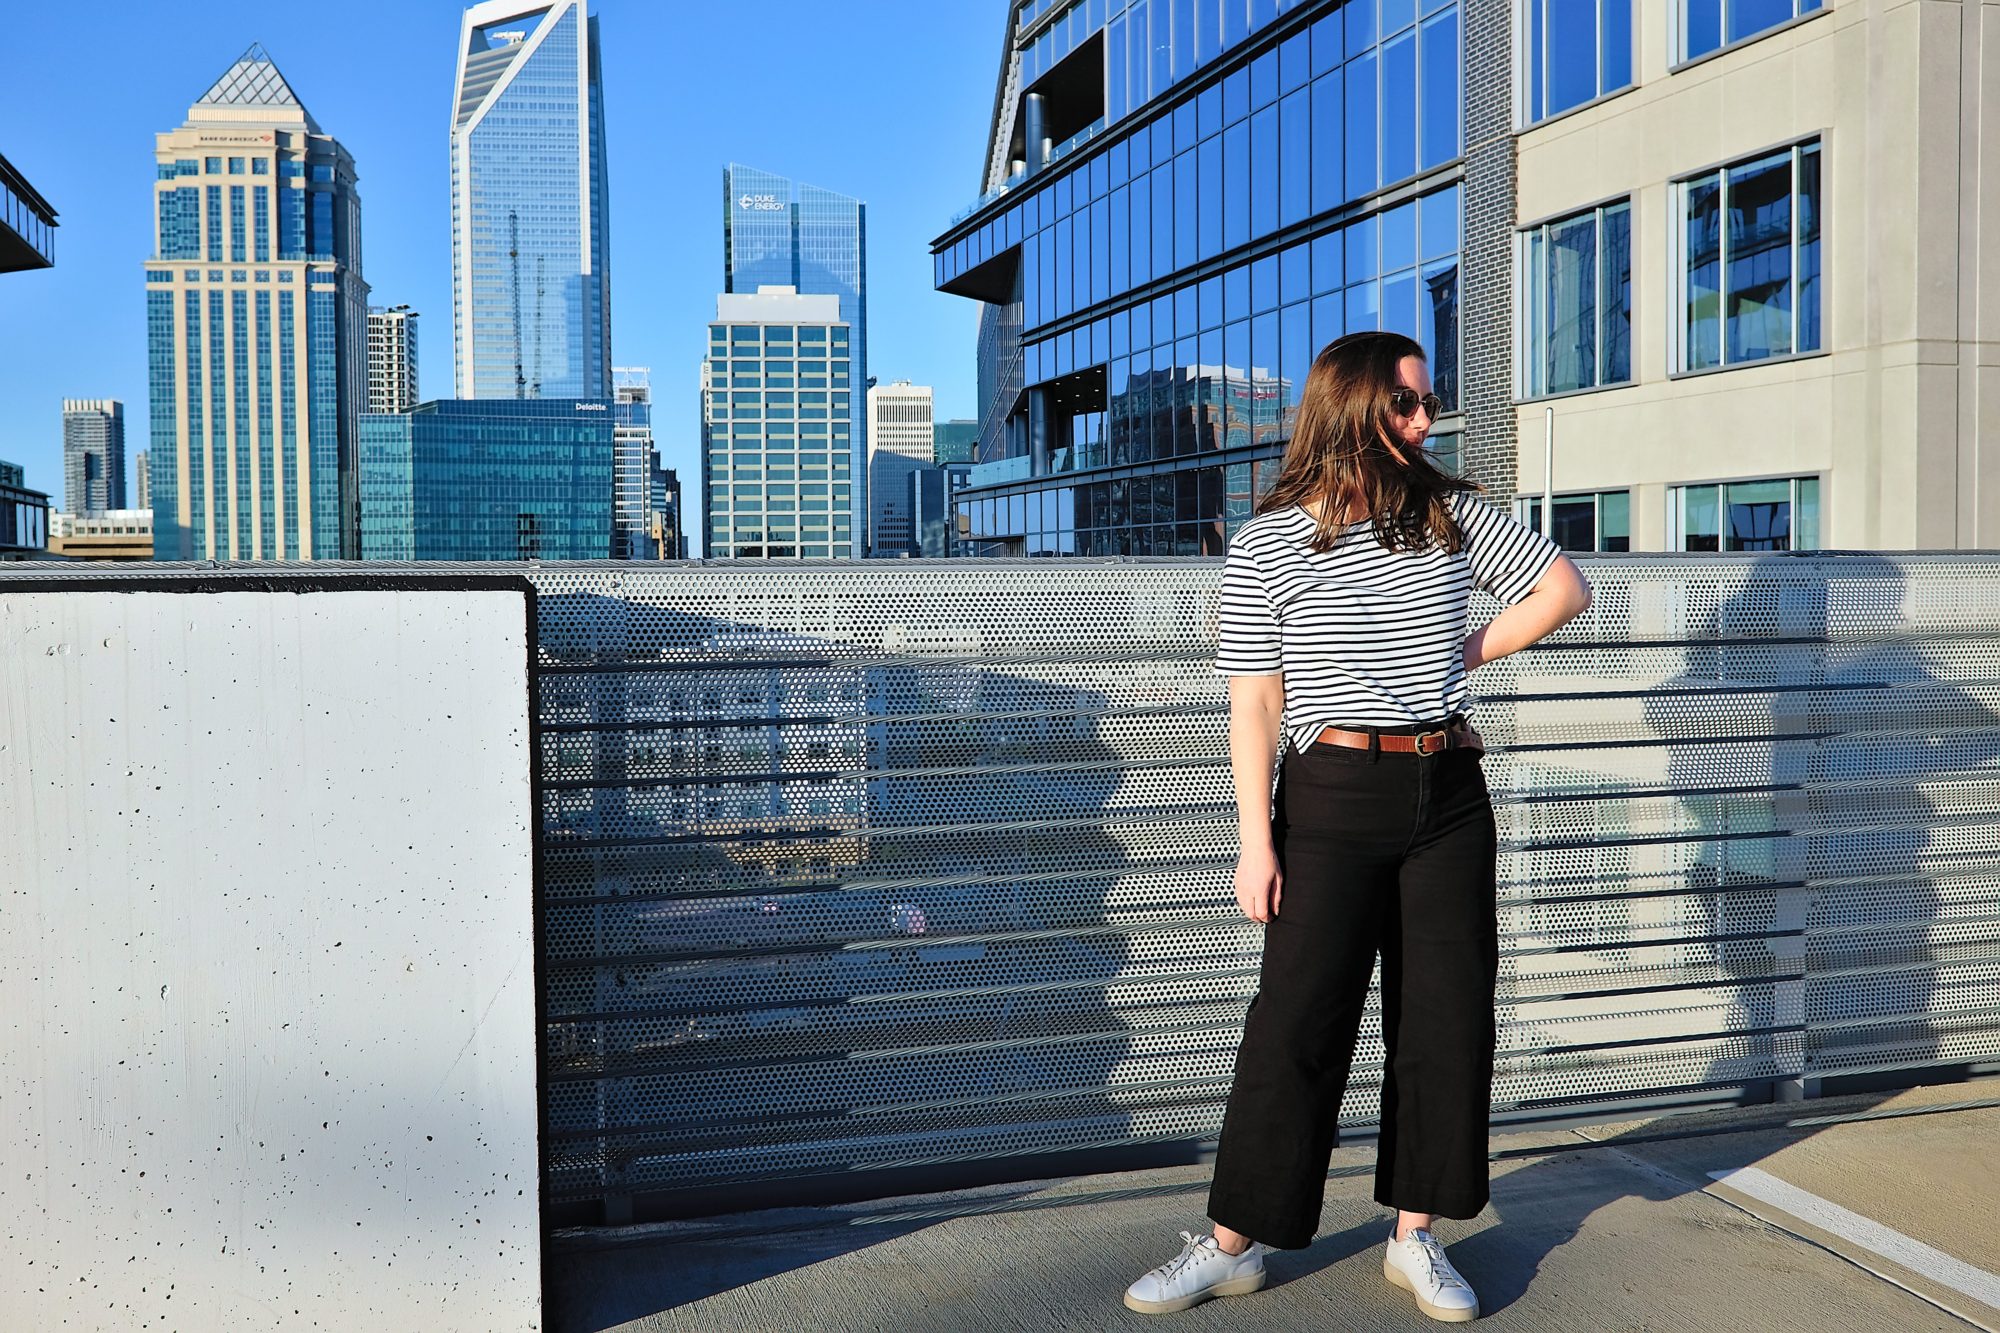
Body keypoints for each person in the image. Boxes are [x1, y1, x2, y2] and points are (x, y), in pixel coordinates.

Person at [1123, 331, 1593, 1322]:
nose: (1425, 420)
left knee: (1444, 1018)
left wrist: (1465, 647)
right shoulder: (1263, 545)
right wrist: (1255, 840)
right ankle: (1231, 1244)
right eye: (1406, 404)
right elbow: (1251, 704)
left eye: (1426, 403)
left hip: (1446, 791)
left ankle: (1413, 1238)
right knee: (1294, 1023)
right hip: (1328, 796)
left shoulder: (1447, 514)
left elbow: (1562, 590)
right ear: (1349, 408)